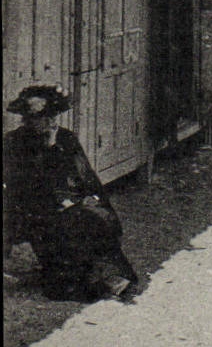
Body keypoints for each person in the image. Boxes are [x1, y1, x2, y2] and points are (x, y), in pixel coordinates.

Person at [3, 84, 139, 302]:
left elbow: (85, 175)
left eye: (54, 116)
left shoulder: (66, 138)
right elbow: (26, 187)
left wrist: (92, 197)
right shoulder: (14, 143)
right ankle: (89, 278)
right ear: (27, 120)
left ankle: (112, 275)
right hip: (35, 211)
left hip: (69, 202)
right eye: (44, 118)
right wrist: (49, 148)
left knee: (95, 215)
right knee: (73, 224)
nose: (52, 123)